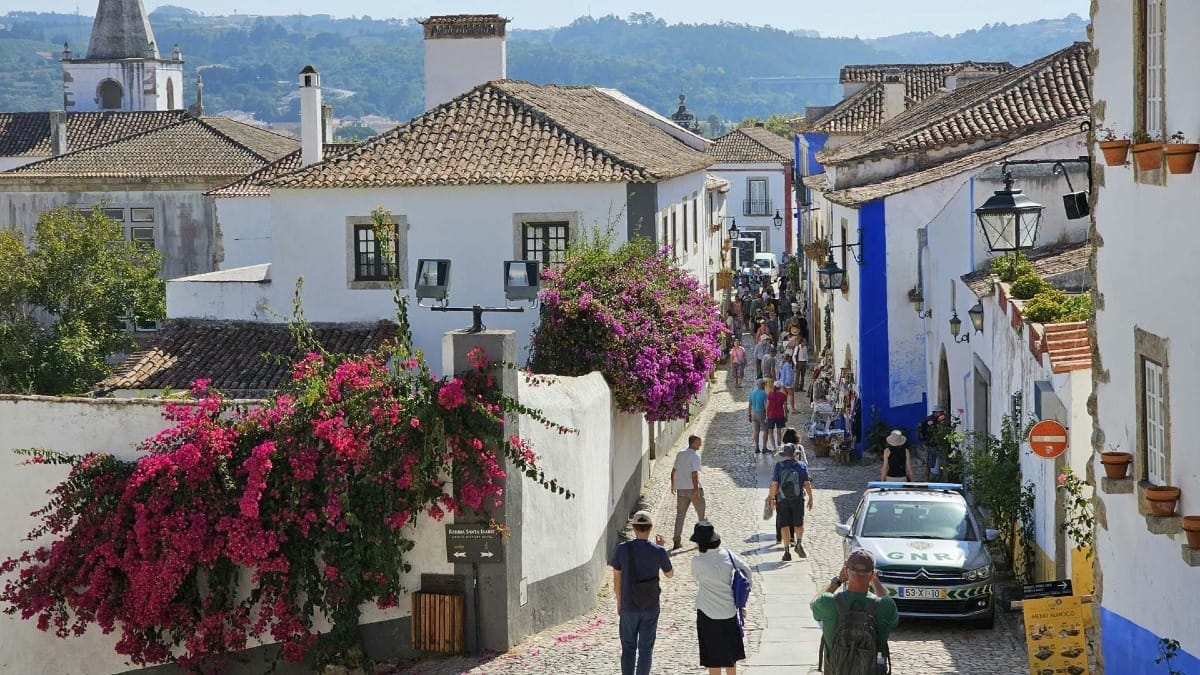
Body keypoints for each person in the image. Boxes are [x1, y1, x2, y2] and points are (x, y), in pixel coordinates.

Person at [810, 549, 898, 675]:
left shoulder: (828, 602)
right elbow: (888, 606)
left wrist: (838, 581)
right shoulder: (884, 606)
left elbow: (813, 603)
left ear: (846, 571)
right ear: (872, 574)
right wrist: (874, 580)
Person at [611, 510, 675, 675]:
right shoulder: (658, 551)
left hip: (628, 605)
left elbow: (617, 577)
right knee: (646, 649)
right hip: (650, 606)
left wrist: (619, 601)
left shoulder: (623, 549)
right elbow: (669, 574)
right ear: (651, 527)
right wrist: (662, 549)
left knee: (628, 648)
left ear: (633, 527)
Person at [690, 521, 750, 675]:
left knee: (713, 658)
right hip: (729, 610)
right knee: (731, 657)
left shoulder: (697, 561)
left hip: (706, 612)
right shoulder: (728, 555)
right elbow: (747, 571)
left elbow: (696, 577)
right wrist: (743, 599)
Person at [769, 443, 813, 561]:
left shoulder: (779, 466)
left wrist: (772, 498)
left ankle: (787, 552)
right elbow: (807, 484)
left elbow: (774, 484)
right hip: (798, 499)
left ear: (784, 455)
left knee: (784, 525)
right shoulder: (801, 465)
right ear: (795, 455)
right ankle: (798, 543)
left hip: (782, 499)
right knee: (799, 523)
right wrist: (811, 497)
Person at [671, 435, 707, 549]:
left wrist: (673, 485)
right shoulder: (695, 456)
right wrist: (696, 490)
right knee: (701, 515)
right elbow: (694, 474)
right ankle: (701, 541)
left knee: (680, 515)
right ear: (693, 443)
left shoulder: (680, 454)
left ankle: (676, 540)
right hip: (693, 489)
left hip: (681, 490)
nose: (700, 444)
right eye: (699, 442)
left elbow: (673, 471)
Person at [765, 382, 787, 453]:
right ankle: (779, 446)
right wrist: (786, 415)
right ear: (780, 387)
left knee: (771, 432)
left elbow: (768, 406)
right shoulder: (783, 395)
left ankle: (774, 447)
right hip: (780, 415)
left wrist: (766, 414)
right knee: (779, 432)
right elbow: (785, 407)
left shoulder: (770, 394)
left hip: (771, 415)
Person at [748, 379, 769, 454]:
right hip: (761, 413)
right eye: (764, 384)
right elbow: (766, 405)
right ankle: (764, 447)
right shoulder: (764, 394)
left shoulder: (752, 393)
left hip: (754, 413)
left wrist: (749, 415)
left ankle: (756, 447)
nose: (765, 385)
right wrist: (767, 415)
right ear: (762, 385)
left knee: (756, 431)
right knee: (766, 430)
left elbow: (749, 405)